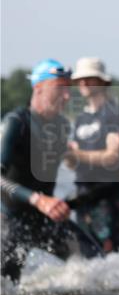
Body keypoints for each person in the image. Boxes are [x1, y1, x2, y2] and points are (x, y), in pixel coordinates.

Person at [1, 60, 103, 283]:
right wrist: (37, 199)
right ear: (38, 89)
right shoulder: (14, 123)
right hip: (9, 220)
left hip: (44, 219)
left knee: (97, 267)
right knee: (6, 291)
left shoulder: (62, 126)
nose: (67, 96)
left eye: (68, 90)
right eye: (59, 88)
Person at [65, 58, 119, 254]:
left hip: (105, 194)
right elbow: (73, 165)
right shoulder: (81, 118)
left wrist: (75, 154)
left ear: (102, 81)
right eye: (80, 78)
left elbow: (112, 157)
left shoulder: (114, 113)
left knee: (111, 256)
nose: (83, 83)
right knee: (85, 254)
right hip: (82, 193)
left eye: (89, 78)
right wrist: (63, 154)